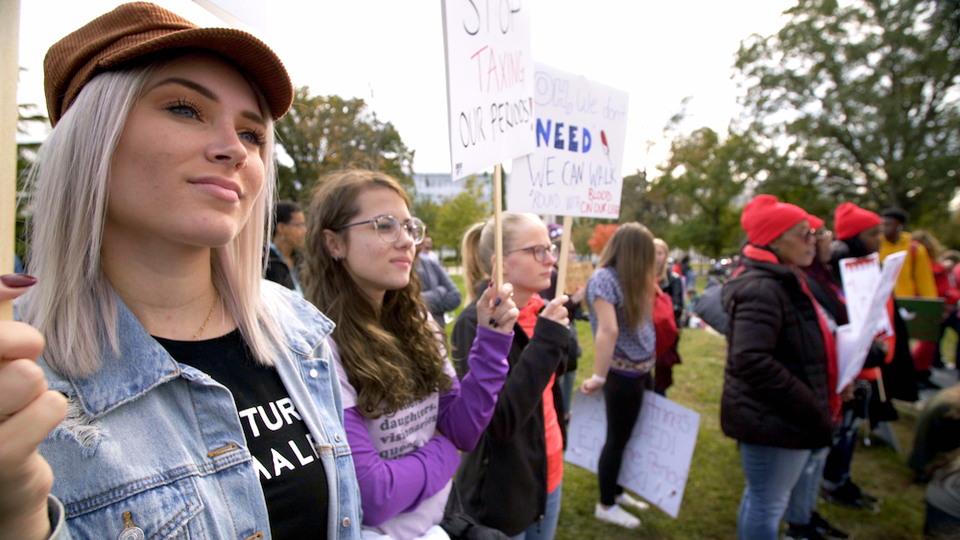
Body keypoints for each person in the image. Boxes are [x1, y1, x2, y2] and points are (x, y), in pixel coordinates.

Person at [0, 4, 362, 539]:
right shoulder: (22, 381)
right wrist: (20, 513)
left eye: (253, 133)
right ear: (94, 136)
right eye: (185, 109)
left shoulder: (298, 330)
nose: (234, 150)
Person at [301, 170, 518, 540]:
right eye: (384, 226)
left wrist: (492, 341)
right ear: (334, 242)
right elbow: (374, 496)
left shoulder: (417, 319)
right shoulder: (317, 343)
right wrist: (447, 452)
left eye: (408, 226)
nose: (406, 242)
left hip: (440, 522)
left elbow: (462, 427)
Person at [721, 195, 836, 540]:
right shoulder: (763, 287)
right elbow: (751, 359)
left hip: (779, 414)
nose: (812, 240)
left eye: (814, 232)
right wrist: (809, 402)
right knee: (766, 504)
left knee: (763, 499)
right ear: (773, 240)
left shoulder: (783, 279)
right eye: (803, 233)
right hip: (774, 417)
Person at [452, 215, 570, 540]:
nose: (550, 259)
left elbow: (551, 386)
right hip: (504, 490)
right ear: (501, 262)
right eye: (537, 251)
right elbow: (500, 422)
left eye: (551, 248)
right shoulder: (473, 324)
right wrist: (547, 341)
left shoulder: (542, 311)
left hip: (549, 468)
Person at [580, 223, 658, 530]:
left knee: (626, 438)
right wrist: (599, 377)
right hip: (622, 376)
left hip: (639, 372)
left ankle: (618, 491)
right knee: (616, 440)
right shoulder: (604, 279)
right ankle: (606, 504)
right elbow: (608, 330)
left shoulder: (631, 280)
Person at [783, 218, 851, 540]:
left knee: (814, 461)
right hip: (807, 393)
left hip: (822, 389)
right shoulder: (794, 283)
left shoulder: (814, 279)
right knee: (777, 489)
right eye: (809, 235)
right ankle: (798, 521)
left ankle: (805, 515)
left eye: (819, 235)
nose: (819, 241)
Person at [538, 222, 585, 422]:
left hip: (568, 328)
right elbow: (554, 306)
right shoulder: (553, 274)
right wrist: (574, 300)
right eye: (570, 251)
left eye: (574, 252)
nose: (573, 256)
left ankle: (564, 411)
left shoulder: (565, 273)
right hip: (560, 330)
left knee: (569, 371)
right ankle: (562, 413)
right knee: (564, 374)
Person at [879, 208, 938, 299]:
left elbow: (925, 281)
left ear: (900, 225)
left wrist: (931, 307)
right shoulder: (875, 246)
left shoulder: (915, 249)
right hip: (882, 303)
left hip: (906, 303)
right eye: (882, 225)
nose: (884, 228)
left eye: (888, 225)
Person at [653, 238, 684, 395]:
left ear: (665, 255)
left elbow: (678, 307)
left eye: (660, 253)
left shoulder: (673, 279)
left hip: (665, 335)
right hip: (646, 334)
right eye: (653, 252)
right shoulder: (642, 278)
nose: (656, 257)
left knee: (661, 378)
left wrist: (661, 301)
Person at [415, 240, 462, 327]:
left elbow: (456, 297)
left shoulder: (430, 263)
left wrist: (421, 305)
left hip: (437, 331)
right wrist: (439, 292)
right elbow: (407, 304)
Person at [266, 199, 306, 294]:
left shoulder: (301, 260)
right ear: (281, 228)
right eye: (299, 225)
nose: (305, 230)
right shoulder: (265, 262)